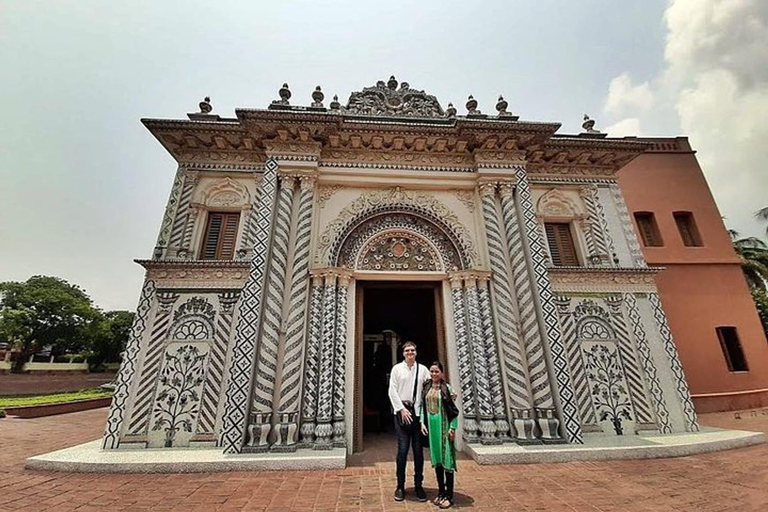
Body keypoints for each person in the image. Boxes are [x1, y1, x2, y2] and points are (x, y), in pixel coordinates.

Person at [388, 340, 430, 502]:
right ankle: (400, 486)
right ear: (403, 353)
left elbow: (433, 384)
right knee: (403, 450)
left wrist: (450, 391)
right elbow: (392, 390)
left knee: (418, 452)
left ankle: (418, 485)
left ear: (416, 352)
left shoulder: (423, 370)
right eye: (407, 351)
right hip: (402, 413)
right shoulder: (397, 369)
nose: (410, 353)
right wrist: (401, 409)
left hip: (417, 414)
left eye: (412, 351)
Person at [420, 361, 458, 509]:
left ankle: (450, 496)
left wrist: (453, 428)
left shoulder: (447, 389)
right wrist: (422, 422)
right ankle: (441, 493)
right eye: (432, 371)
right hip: (432, 430)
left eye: (436, 371)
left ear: (442, 373)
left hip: (444, 428)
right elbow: (423, 406)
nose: (434, 374)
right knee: (437, 462)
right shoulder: (427, 387)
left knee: (447, 461)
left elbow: (453, 411)